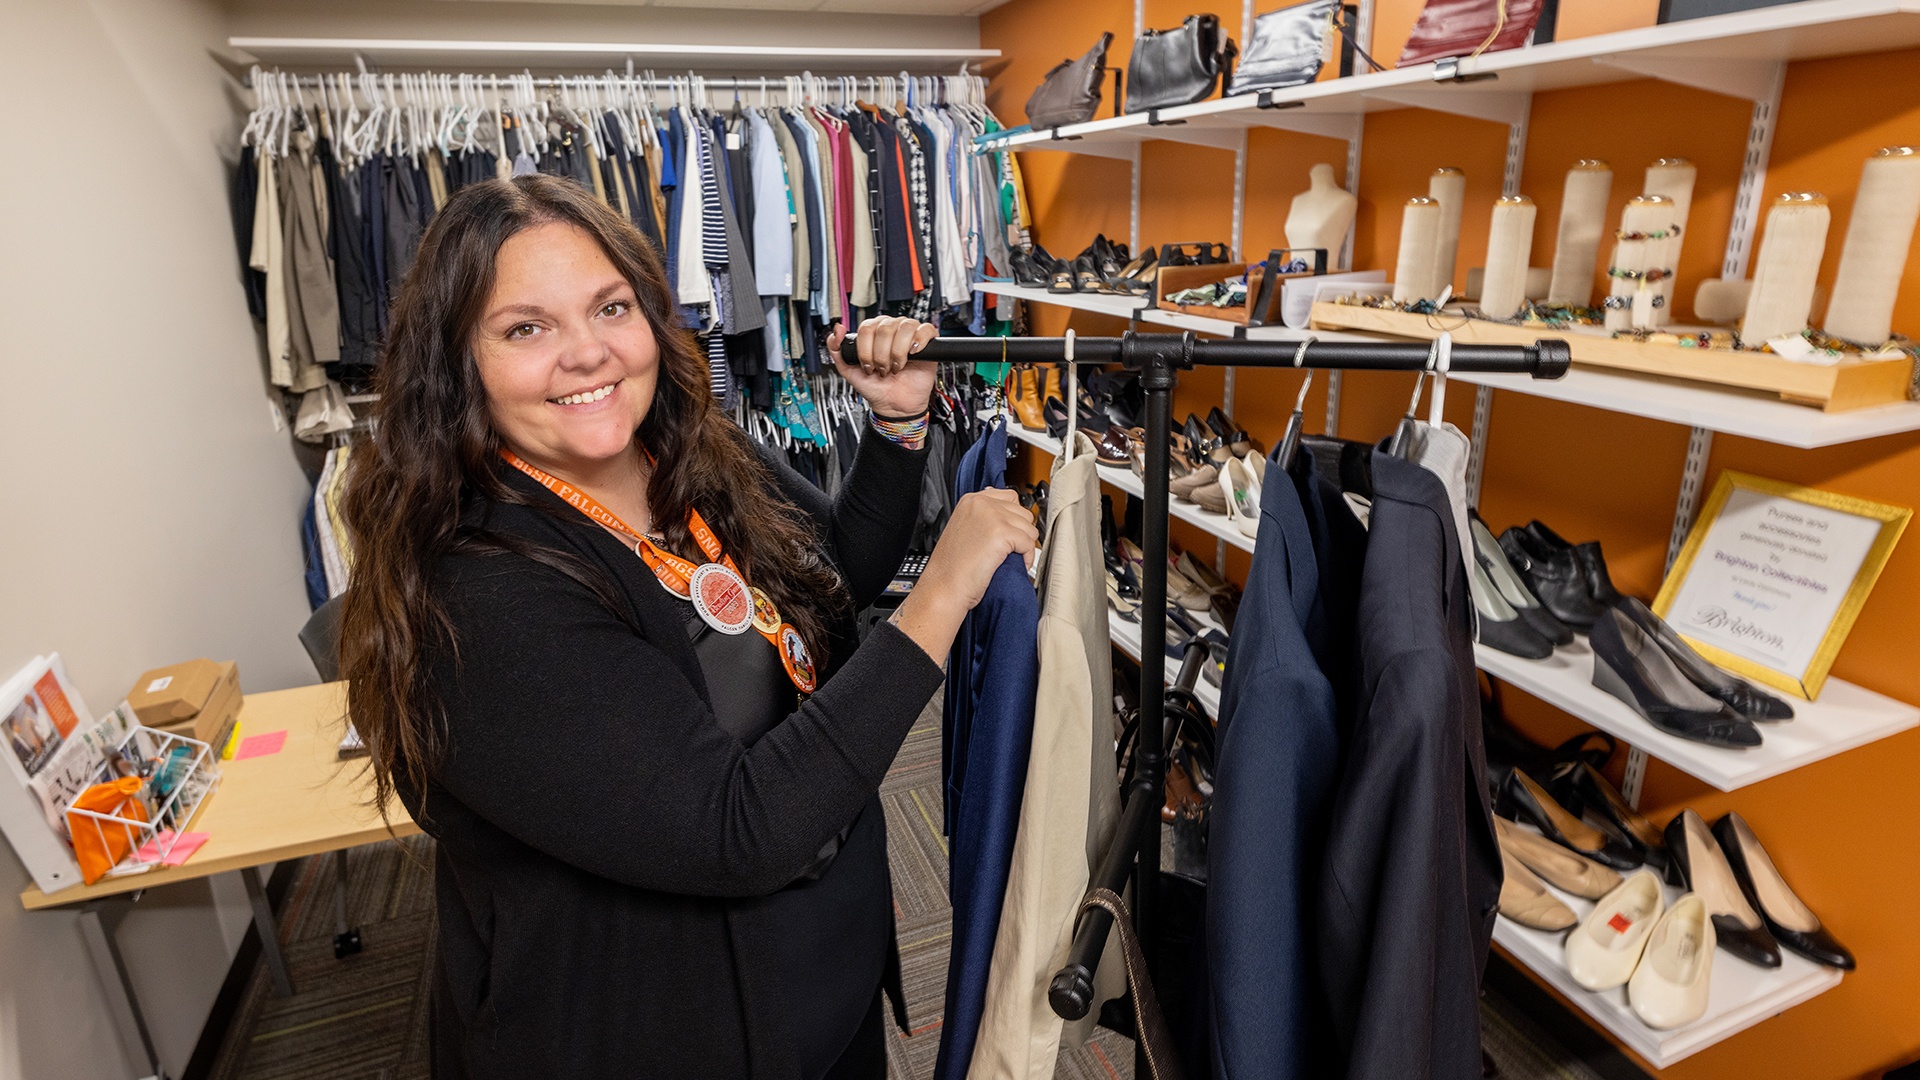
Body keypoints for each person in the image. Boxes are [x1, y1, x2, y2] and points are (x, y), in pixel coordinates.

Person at [337, 174, 1036, 1079]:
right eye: (526, 328)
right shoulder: (477, 593)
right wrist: (937, 599)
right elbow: (734, 827)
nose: (589, 354)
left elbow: (829, 577)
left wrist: (898, 427)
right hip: (657, 1026)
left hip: (819, 978)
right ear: (457, 362)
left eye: (610, 307)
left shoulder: (686, 452)